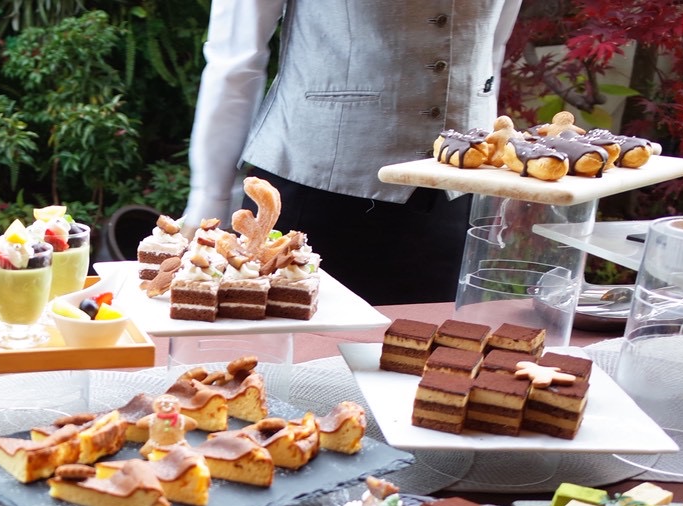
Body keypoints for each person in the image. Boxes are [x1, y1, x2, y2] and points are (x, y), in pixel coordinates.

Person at [182, 0, 522, 304]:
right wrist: (210, 198)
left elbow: (488, 53)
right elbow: (237, 59)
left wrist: (492, 192)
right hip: (314, 186)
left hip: (453, 197)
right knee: (296, 350)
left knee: (431, 347)